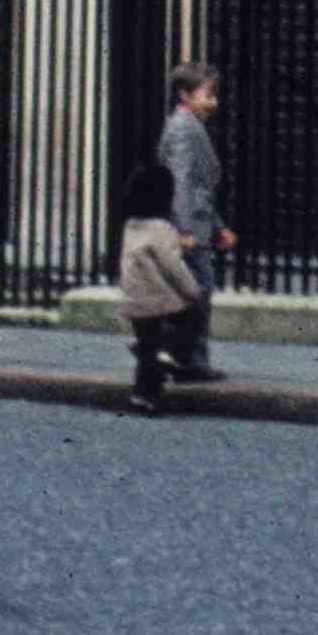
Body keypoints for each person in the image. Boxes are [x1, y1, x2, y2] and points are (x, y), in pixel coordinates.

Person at [153, 63, 230, 386]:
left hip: (197, 226)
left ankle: (187, 359)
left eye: (214, 95)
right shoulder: (184, 128)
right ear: (185, 95)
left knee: (196, 292)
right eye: (208, 95)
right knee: (196, 292)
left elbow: (199, 187)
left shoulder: (189, 126)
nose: (213, 102)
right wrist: (185, 229)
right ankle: (170, 351)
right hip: (187, 230)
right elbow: (182, 182)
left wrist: (218, 227)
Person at [114, 154, 206, 412]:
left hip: (133, 300)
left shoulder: (131, 225)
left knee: (146, 351)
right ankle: (169, 358)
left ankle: (142, 396)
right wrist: (193, 291)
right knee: (194, 315)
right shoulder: (161, 228)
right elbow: (173, 267)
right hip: (158, 300)